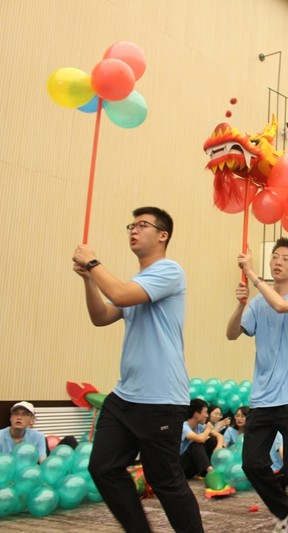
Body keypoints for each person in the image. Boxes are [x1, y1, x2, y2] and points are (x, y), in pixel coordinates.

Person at [72, 206, 203, 533]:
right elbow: (101, 316)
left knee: (165, 480)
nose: (134, 230)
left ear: (162, 235)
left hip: (161, 398)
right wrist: (89, 280)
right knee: (102, 467)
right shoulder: (136, 283)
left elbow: (118, 294)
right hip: (125, 396)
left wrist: (93, 263)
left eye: (142, 225)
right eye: (131, 225)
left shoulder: (169, 271)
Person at [226, 237, 288, 533]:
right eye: (275, 256)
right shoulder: (257, 303)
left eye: (285, 258)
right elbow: (231, 334)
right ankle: (284, 509)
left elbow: (281, 306)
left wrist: (252, 275)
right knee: (252, 463)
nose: (278, 262)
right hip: (263, 399)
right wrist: (240, 305)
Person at [179, 398, 223, 479]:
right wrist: (208, 429)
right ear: (196, 414)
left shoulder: (200, 426)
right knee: (196, 444)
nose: (207, 415)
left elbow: (219, 436)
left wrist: (219, 446)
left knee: (212, 440)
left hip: (193, 468)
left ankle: (217, 470)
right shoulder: (184, 426)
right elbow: (200, 439)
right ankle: (212, 473)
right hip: (181, 468)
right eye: (205, 412)